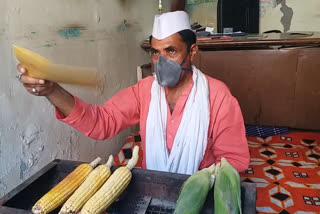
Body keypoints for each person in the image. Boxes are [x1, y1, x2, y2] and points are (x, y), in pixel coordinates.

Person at [17, 11, 249, 175]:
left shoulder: (217, 96)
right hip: (152, 186)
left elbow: (234, 162)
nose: (161, 61)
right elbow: (101, 122)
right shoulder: (145, 91)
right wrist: (52, 90)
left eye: (171, 51)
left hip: (199, 194)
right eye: (155, 53)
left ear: (193, 52)